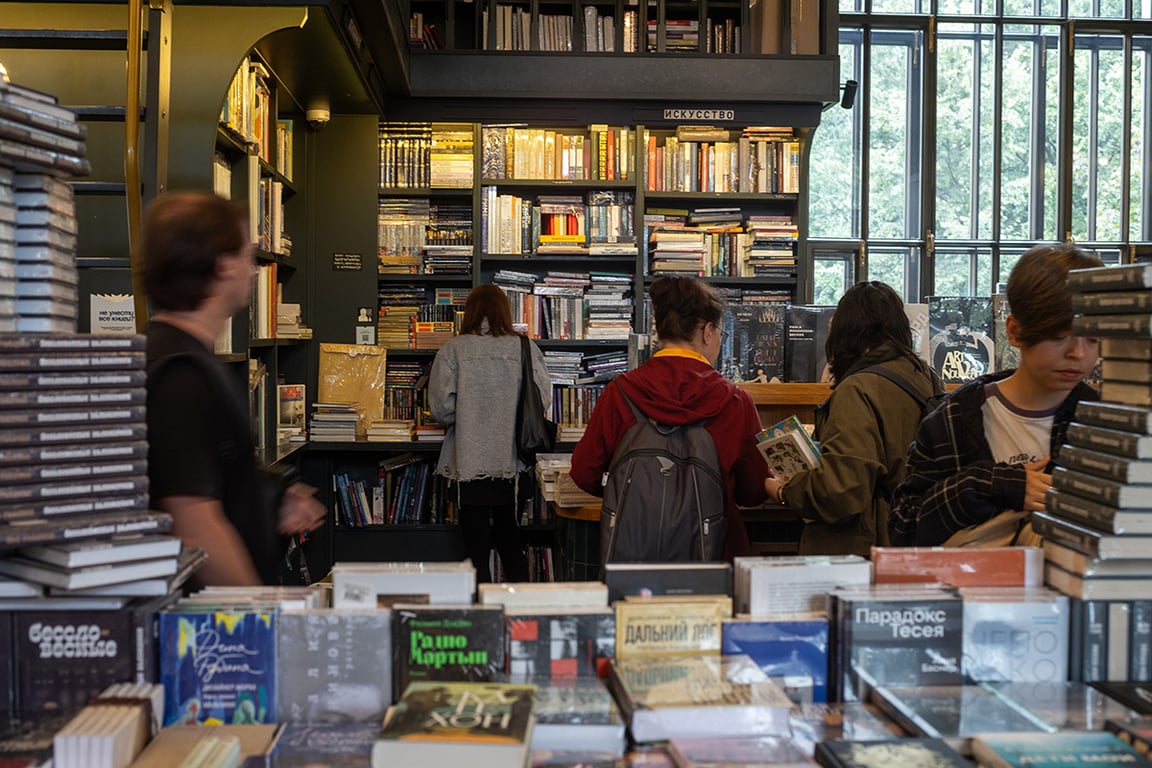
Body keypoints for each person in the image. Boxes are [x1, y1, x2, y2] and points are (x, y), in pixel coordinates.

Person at [143, 190, 326, 587]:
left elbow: (204, 473)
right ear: (224, 266)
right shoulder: (182, 374)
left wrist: (272, 498)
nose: (255, 268)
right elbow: (193, 524)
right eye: (248, 255)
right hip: (210, 627)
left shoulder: (183, 360)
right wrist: (256, 618)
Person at [888, 243, 1103, 547]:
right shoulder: (954, 421)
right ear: (1014, 332)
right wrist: (985, 485)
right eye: (1058, 337)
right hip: (966, 590)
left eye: (1093, 339)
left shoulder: (1106, 424)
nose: (1078, 353)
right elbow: (903, 532)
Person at [569, 276, 769, 560]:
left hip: (633, 553)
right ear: (708, 331)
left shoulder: (620, 392)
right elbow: (752, 492)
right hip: (712, 557)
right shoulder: (735, 401)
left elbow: (584, 472)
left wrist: (638, 497)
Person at [763, 281, 940, 556]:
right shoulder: (927, 377)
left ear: (847, 332)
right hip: (919, 541)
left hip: (864, 552)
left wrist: (785, 491)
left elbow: (841, 491)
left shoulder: (858, 389)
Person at [427, 284, 551, 583]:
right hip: (513, 462)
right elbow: (542, 399)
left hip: (469, 462)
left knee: (474, 548)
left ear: (469, 312)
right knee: (511, 542)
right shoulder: (524, 347)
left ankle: (480, 616)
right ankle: (521, 613)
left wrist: (470, 414)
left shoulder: (453, 349)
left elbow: (441, 410)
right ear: (504, 312)